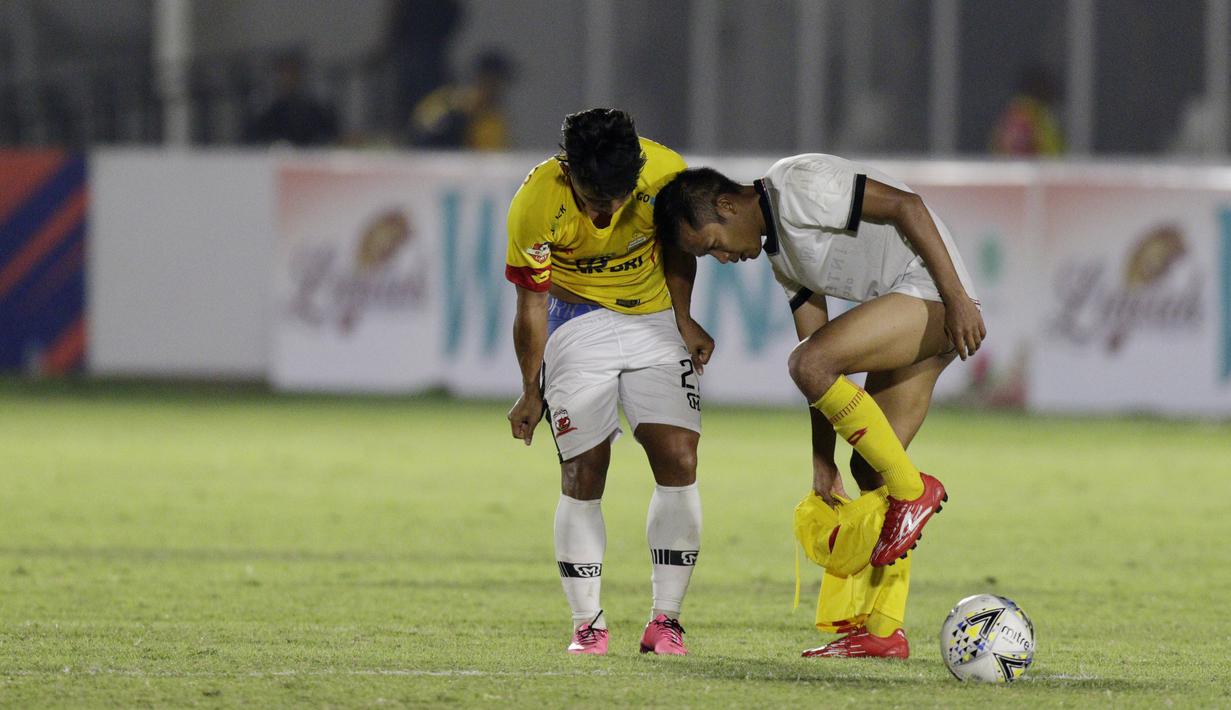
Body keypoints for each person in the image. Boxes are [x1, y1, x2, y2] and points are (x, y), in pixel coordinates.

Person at [653, 155, 985, 656]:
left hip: (934, 294)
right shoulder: (782, 256)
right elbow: (821, 369)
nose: (721, 259)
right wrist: (822, 459)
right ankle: (882, 632)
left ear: (727, 204)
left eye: (714, 246)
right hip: (916, 301)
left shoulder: (798, 185)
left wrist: (957, 297)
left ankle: (915, 491)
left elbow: (908, 207)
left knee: (817, 377)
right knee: (871, 469)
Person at [504, 108, 714, 656]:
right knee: (584, 468)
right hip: (577, 323)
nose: (607, 212)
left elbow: (680, 250)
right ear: (567, 168)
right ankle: (587, 623)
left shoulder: (667, 173)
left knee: (680, 459)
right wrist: (531, 389)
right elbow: (531, 303)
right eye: (595, 199)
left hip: (654, 321)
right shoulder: (535, 202)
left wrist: (683, 318)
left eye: (617, 198)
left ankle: (665, 621)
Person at [409, 49, 515, 150]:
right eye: (494, 81)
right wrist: (456, 116)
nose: (498, 88)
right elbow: (421, 131)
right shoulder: (447, 101)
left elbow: (496, 155)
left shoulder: (492, 118)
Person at [245, 52, 338, 147]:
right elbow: (256, 139)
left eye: (293, 73)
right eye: (285, 74)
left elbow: (330, 135)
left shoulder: (314, 111)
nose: (289, 79)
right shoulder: (271, 113)